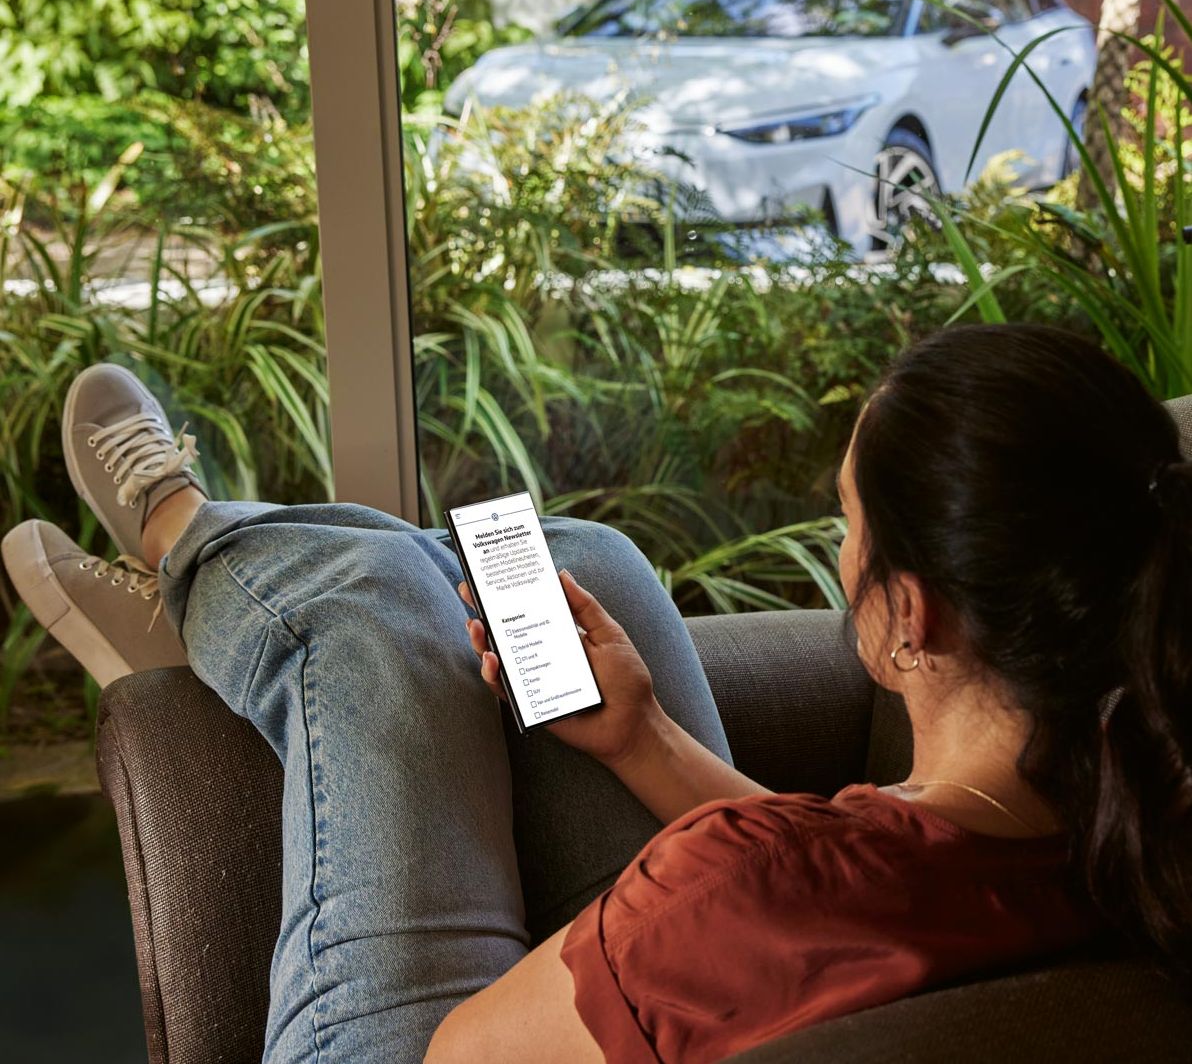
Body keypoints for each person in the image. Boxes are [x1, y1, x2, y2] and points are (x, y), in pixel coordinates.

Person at [4, 324, 1191, 1064]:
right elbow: (839, 880)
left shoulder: (718, 885)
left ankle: (179, 535)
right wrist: (646, 741)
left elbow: (467, 1048)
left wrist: (603, 920)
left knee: (368, 612)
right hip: (713, 976)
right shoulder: (1134, 829)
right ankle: (210, 581)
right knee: (587, 559)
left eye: (847, 524)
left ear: (911, 613)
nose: (841, 552)